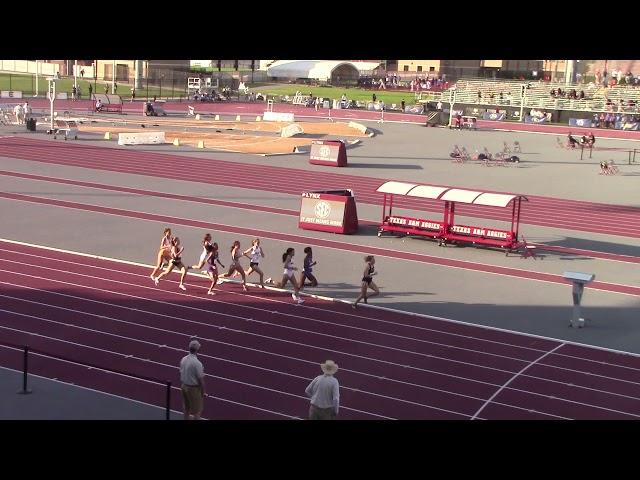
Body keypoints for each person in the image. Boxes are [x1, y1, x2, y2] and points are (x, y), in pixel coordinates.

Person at [180, 339, 206, 420]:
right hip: (193, 389)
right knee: (197, 412)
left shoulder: (183, 359)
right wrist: (203, 392)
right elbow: (201, 380)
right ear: (198, 350)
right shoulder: (197, 363)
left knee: (186, 408)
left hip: (184, 386)